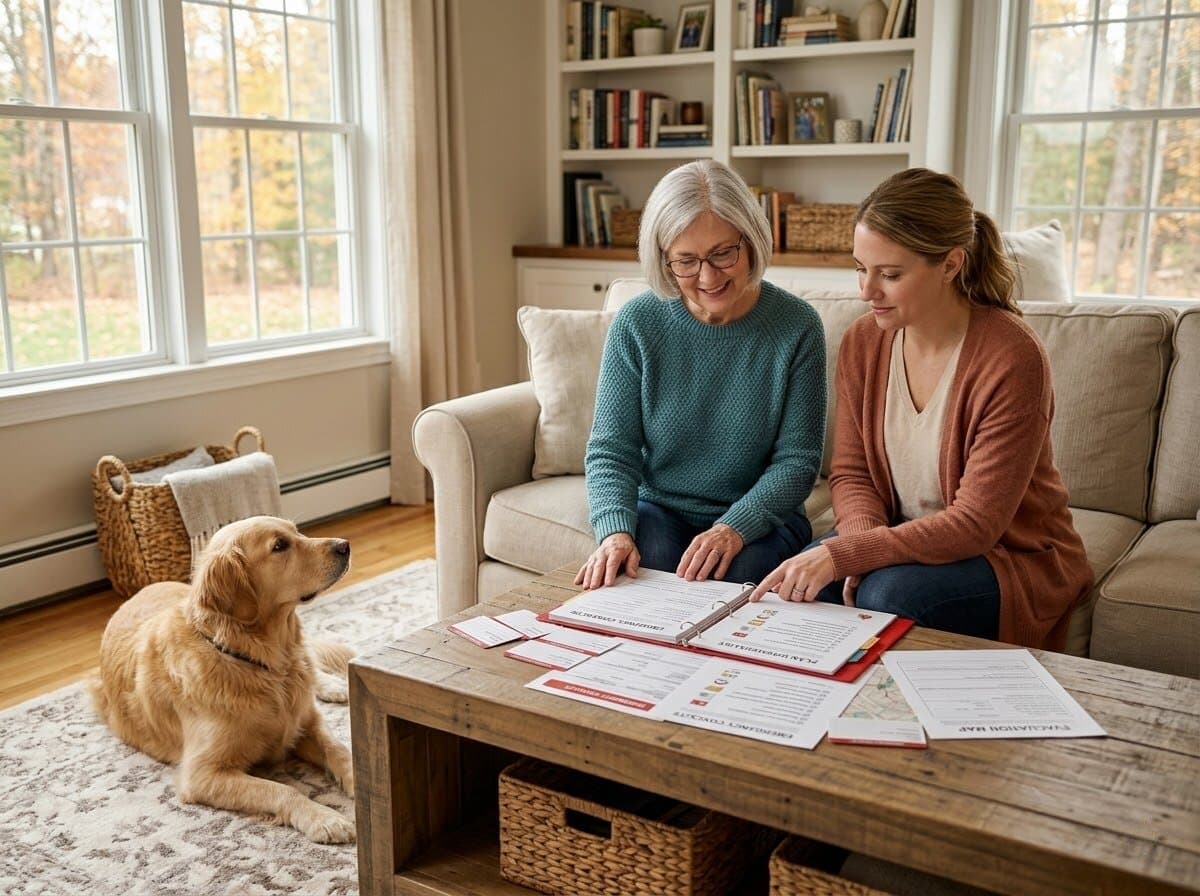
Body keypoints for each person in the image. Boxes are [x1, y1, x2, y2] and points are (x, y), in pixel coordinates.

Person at [749, 168, 1092, 650]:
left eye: (890, 274)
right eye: (859, 268)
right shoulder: (864, 341)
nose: (867, 291)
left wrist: (856, 556)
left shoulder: (1012, 358)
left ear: (951, 264)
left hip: (1007, 555)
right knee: (794, 587)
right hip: (900, 536)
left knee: (887, 592)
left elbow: (976, 524)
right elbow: (851, 473)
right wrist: (858, 548)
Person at [575, 160, 826, 591]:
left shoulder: (798, 326)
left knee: (738, 580)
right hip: (662, 510)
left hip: (761, 520)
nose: (708, 277)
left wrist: (733, 527)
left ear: (751, 241)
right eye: (686, 261)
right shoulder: (638, 323)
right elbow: (612, 451)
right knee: (639, 571)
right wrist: (614, 530)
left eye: (723, 253)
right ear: (664, 260)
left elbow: (798, 463)